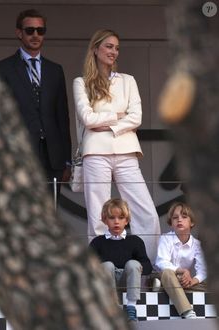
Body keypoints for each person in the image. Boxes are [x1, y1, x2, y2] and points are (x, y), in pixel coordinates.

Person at [73, 29, 160, 262]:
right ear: (95, 49)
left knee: (146, 213)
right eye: (109, 46)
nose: (114, 51)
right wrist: (117, 116)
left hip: (126, 152)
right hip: (95, 153)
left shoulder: (128, 80)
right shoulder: (81, 83)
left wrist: (107, 123)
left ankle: (146, 268)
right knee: (97, 216)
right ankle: (101, 271)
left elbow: (136, 117)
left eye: (116, 47)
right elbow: (87, 119)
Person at [0, 9, 71, 194]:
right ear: (19, 33)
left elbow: (62, 116)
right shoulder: (2, 69)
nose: (35, 35)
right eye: (30, 30)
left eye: (40, 30)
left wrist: (67, 160)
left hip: (52, 157)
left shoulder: (55, 70)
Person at [89, 198, 152, 322]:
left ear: (127, 220)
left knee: (133, 264)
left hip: (127, 280)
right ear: (105, 220)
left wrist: (136, 267)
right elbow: (87, 265)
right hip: (106, 281)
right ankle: (114, 308)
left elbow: (148, 266)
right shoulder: (97, 242)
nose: (116, 222)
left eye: (121, 217)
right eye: (112, 218)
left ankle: (131, 308)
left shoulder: (135, 241)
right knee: (107, 266)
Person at [154, 202, 207, 319]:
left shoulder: (197, 245)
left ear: (192, 222)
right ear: (171, 223)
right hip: (167, 278)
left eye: (184, 216)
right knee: (168, 273)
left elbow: (202, 270)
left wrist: (193, 280)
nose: (179, 220)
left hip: (185, 282)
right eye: (175, 217)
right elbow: (161, 262)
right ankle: (188, 312)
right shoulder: (165, 238)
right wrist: (181, 270)